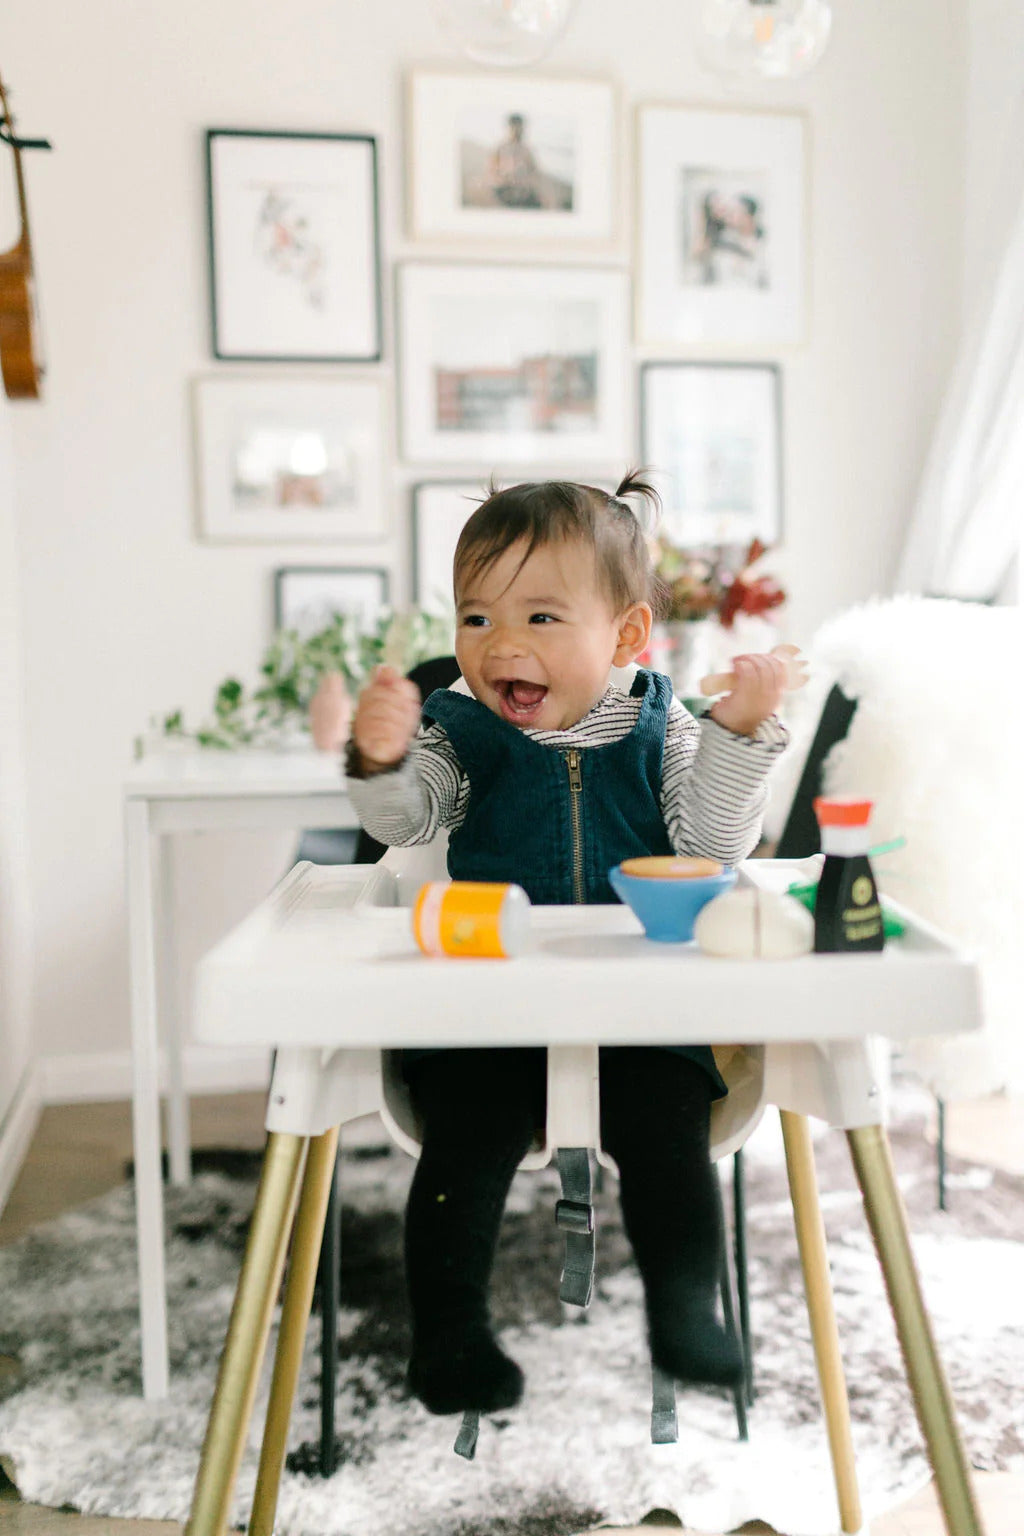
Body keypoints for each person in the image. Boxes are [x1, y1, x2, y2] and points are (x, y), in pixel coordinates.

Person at [345, 472, 788, 1417]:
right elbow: (405, 816)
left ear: (625, 635)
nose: (501, 644)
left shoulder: (661, 724)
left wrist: (737, 738)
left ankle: (685, 1314)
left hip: (639, 1004)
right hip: (495, 1004)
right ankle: (449, 1336)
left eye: (541, 618)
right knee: (463, 1143)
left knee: (670, 1139)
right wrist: (379, 759)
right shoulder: (462, 732)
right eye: (475, 617)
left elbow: (712, 844)